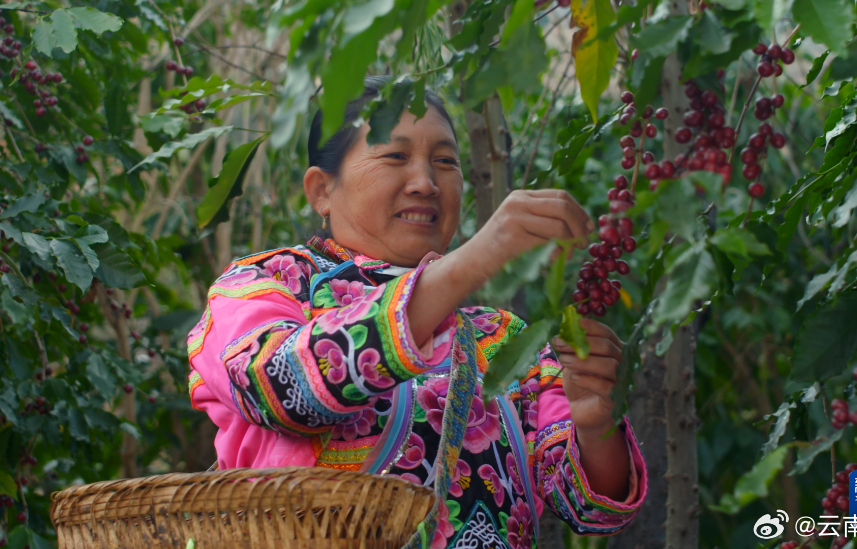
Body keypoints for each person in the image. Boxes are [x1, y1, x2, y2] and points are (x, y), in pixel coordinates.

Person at [187, 75, 647, 548]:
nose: (426, 183)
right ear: (322, 189)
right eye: (395, 156)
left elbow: (589, 510)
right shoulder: (270, 282)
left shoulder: (504, 340)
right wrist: (468, 264)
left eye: (445, 161)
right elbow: (273, 387)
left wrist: (595, 423)